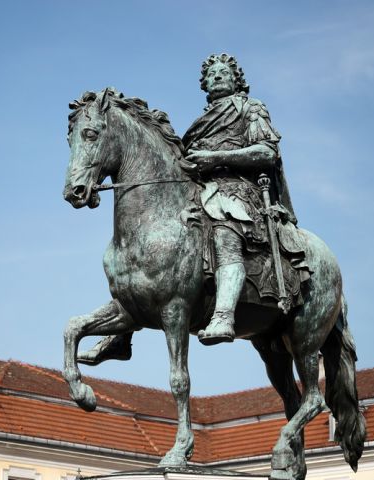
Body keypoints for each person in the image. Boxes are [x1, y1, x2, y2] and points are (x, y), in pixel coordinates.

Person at [78, 54, 301, 363]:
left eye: (224, 72)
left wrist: (216, 159)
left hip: (236, 190)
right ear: (204, 84)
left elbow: (266, 151)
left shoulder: (251, 108)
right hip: (200, 190)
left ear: (237, 79)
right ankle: (121, 333)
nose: (217, 77)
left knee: (224, 229)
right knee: (156, 247)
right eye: (211, 74)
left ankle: (223, 314)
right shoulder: (201, 122)